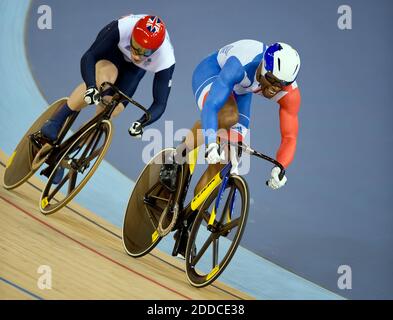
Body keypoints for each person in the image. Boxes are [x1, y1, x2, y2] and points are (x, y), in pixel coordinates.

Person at [162, 40, 301, 258]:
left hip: (242, 91)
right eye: (272, 80)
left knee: (227, 161)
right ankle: (177, 156)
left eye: (281, 85)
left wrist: (281, 166)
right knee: (226, 116)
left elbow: (290, 136)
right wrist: (209, 143)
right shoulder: (241, 62)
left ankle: (189, 220)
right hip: (213, 74)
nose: (275, 88)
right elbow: (212, 106)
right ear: (264, 67)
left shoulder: (289, 92)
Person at [40, 14, 175, 183]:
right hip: (113, 53)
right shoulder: (123, 27)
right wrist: (91, 87)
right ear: (132, 34)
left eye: (145, 52)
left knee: (111, 111)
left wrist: (142, 122)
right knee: (103, 81)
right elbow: (89, 56)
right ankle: (55, 121)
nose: (138, 55)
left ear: (155, 50)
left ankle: (64, 154)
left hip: (133, 72)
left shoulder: (165, 58)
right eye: (136, 46)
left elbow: (160, 103)